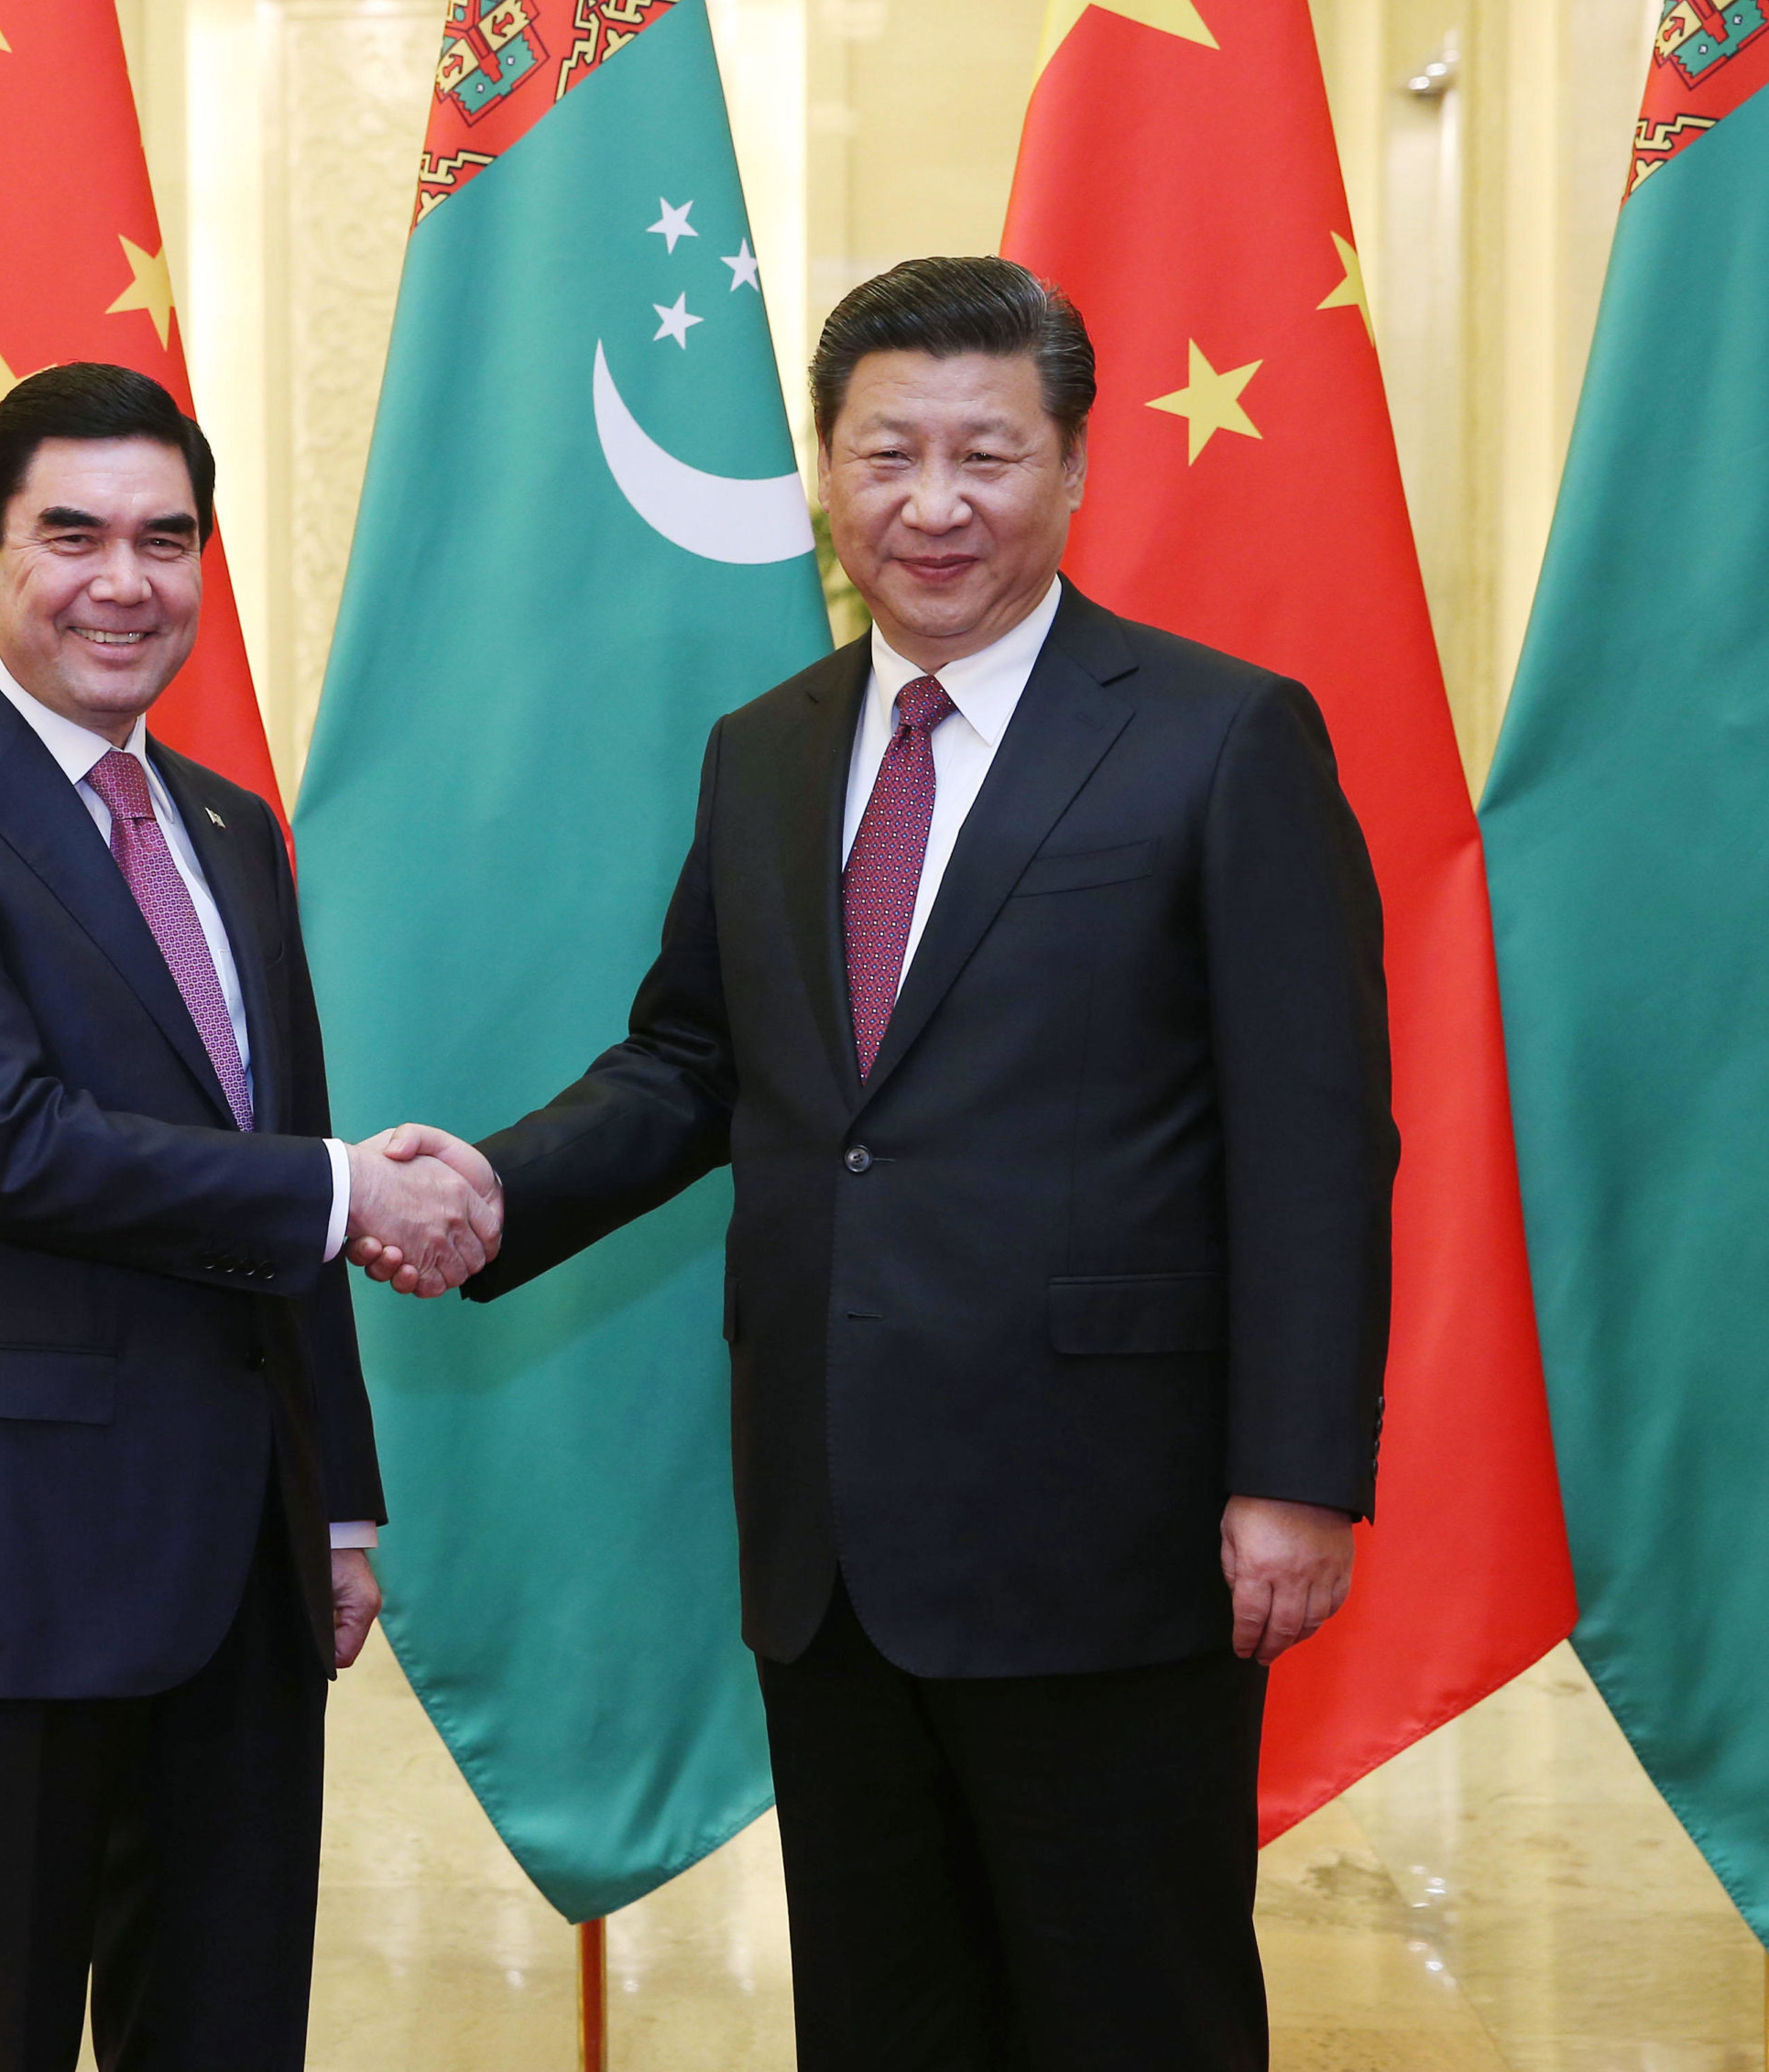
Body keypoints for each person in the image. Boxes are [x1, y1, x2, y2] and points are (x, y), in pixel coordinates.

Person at [363, 258, 1397, 2067]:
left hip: (1110, 1529)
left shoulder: (1219, 736)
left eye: (984, 454)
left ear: (1072, 467)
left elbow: (1316, 1136)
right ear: (824, 473)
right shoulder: (764, 753)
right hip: (830, 1539)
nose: (932, 504)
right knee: (879, 2012)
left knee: (1122, 2007)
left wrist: (1295, 1479)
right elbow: (695, 1060)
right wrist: (500, 1191)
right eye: (885, 454)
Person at [0, 362, 497, 2072]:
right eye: (73, 535)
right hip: (7, 1562)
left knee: (229, 2029)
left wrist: (336, 1503)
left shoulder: (232, 829)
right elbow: (1, 1145)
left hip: (245, 1562)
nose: (126, 580)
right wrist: (348, 1189)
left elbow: (278, 1151)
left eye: (167, 540)